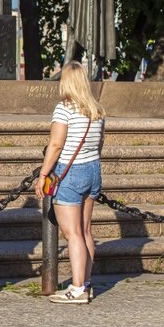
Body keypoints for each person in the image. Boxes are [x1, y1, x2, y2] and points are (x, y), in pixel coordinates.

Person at [35, 61, 105, 305]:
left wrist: (43, 174)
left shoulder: (63, 109)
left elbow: (55, 145)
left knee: (72, 232)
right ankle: (85, 282)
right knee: (85, 231)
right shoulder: (96, 110)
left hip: (70, 172)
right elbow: (99, 144)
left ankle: (76, 289)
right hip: (93, 169)